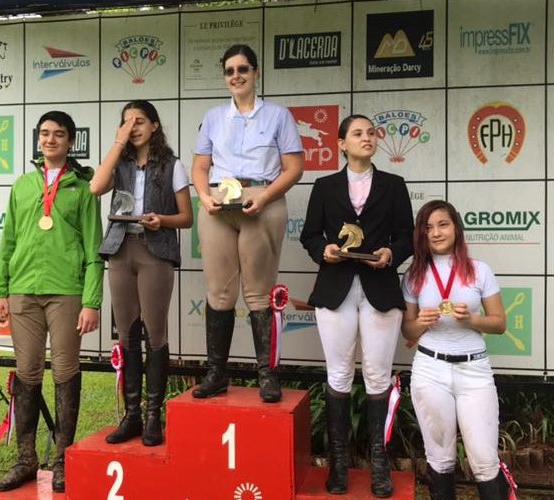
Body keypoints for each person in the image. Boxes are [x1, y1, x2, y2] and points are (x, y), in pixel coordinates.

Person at [300, 114, 414, 497]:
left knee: (379, 377)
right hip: (335, 290)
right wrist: (324, 250)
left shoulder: (394, 185)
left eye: (371, 133)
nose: (367, 138)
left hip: (381, 289)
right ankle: (339, 465)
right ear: (341, 144)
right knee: (339, 375)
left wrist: (391, 254)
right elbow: (309, 235)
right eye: (358, 133)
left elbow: (407, 236)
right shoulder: (325, 186)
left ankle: (379, 464)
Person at [0, 110, 104, 493]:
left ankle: (63, 460)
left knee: (65, 370)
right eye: (44, 133)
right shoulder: (22, 185)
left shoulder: (83, 187)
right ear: (38, 139)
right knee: (27, 371)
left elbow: (94, 248)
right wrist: (1, 290)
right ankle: (26, 459)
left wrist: (91, 301)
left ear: (71, 141)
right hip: (23, 290)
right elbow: (8, 241)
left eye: (58, 134)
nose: (50, 140)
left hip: (66, 291)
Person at [191, 44, 304, 403]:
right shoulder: (212, 117)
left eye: (242, 69)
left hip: (261, 199)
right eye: (229, 71)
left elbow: (294, 168)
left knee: (258, 293)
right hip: (218, 203)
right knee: (219, 291)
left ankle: (267, 376)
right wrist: (203, 195)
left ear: (256, 72)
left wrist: (266, 196)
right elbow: (200, 166)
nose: (236, 76)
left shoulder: (279, 115)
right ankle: (216, 373)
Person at [91, 100, 192, 446]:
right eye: (126, 122)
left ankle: (152, 417)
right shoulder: (118, 162)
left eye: (139, 121)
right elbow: (95, 187)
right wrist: (117, 143)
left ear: (154, 126)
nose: (133, 128)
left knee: (156, 334)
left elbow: (187, 218)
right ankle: (132, 415)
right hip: (120, 250)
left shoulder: (172, 165)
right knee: (126, 335)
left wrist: (161, 220)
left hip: (155, 251)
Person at [400, 200, 512, 499]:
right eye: (428, 228)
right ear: (421, 234)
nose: (436, 233)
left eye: (443, 225)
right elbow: (407, 330)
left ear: (456, 228)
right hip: (430, 370)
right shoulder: (413, 274)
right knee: (439, 458)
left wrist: (472, 320)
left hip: (474, 371)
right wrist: (420, 322)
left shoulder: (479, 270)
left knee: (484, 459)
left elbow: (499, 323)